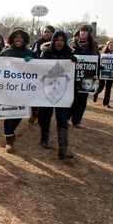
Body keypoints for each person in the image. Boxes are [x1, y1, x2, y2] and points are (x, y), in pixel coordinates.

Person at [39, 30, 76, 160]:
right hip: (47, 91)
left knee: (62, 118)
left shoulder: (69, 54)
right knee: (46, 116)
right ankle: (44, 138)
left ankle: (63, 149)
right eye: (57, 40)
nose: (59, 43)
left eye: (62, 40)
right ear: (53, 41)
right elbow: (39, 70)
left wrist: (73, 64)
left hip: (63, 93)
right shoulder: (46, 53)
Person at [0, 27, 36, 153]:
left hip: (23, 89)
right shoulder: (6, 52)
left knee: (19, 113)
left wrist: (31, 63)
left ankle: (11, 131)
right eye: (16, 37)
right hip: (8, 88)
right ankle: (9, 139)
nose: (18, 40)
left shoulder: (30, 54)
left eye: (21, 37)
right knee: (9, 113)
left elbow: (37, 69)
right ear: (12, 39)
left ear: (24, 39)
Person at [69, 23, 99, 128]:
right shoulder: (72, 43)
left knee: (82, 99)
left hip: (87, 76)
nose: (83, 33)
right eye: (81, 30)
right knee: (72, 97)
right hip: (73, 75)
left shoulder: (93, 45)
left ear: (89, 33)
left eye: (85, 31)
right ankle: (68, 116)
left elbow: (97, 60)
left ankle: (77, 120)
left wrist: (96, 74)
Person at [28, 25, 56, 124]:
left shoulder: (56, 43)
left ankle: (42, 116)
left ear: (53, 33)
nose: (46, 34)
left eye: (48, 32)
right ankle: (34, 114)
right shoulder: (38, 43)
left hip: (51, 73)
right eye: (44, 32)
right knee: (35, 93)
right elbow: (34, 54)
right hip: (38, 71)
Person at [93, 40, 113, 108]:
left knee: (108, 88)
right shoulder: (102, 54)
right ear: (107, 46)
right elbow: (98, 62)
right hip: (103, 73)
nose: (112, 47)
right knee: (101, 87)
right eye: (110, 45)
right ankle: (96, 93)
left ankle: (106, 103)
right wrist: (100, 67)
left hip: (111, 74)